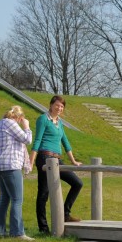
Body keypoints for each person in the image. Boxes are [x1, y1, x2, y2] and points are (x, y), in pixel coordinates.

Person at [31, 95, 83, 233]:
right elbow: (37, 140)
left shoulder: (59, 122)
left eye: (62, 106)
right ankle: (43, 228)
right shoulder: (43, 119)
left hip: (57, 160)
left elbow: (65, 141)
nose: (59, 108)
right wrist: (31, 161)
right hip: (45, 157)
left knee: (77, 183)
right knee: (44, 192)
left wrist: (73, 161)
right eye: (57, 105)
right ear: (51, 105)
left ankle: (65, 214)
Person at [0, 106, 34, 241]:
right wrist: (26, 127)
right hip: (11, 164)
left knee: (4, 198)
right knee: (17, 199)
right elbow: (27, 139)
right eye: (21, 119)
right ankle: (17, 233)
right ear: (19, 117)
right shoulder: (11, 124)